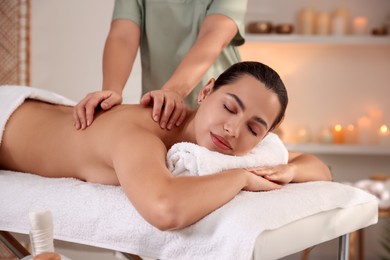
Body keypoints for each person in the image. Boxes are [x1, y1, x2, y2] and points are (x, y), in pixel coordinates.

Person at [0, 62, 332, 231]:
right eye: (229, 107)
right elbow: (165, 210)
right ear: (206, 92)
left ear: (265, 137)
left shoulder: (215, 143)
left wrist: (290, 170)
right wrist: (243, 177)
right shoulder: (140, 134)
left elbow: (319, 168)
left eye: (254, 128)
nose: (233, 129)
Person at [73, 0, 248, 131]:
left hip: (223, 109)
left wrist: (173, 91)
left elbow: (214, 35)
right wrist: (112, 91)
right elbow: (122, 36)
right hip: (161, 110)